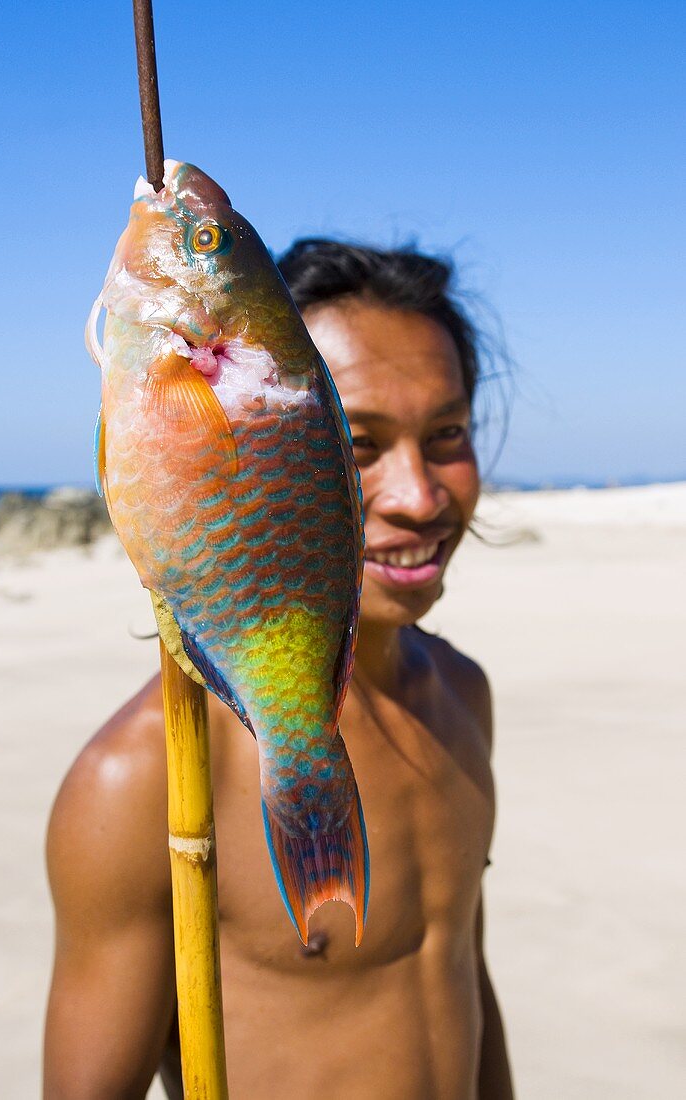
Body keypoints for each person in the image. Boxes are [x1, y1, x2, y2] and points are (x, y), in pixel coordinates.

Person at [44, 240, 515, 1099]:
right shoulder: (137, 777)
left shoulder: (462, 693)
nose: (417, 494)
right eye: (355, 443)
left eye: (446, 434)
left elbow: (462, 978)